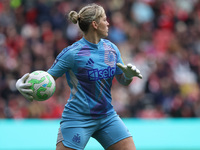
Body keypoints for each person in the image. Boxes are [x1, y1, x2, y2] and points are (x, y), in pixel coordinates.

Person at [16, 3, 142, 150]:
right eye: (104, 19)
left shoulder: (112, 49)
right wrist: (23, 84)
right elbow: (46, 79)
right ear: (95, 24)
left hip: (107, 116)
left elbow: (123, 81)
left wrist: (127, 76)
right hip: (78, 118)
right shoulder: (72, 53)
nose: (108, 23)